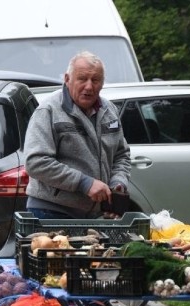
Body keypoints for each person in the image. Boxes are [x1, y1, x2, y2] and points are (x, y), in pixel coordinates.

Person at [25, 51, 131, 219]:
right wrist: (84, 183)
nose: (89, 86)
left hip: (95, 215)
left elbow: (121, 154)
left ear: (102, 83)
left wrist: (118, 182)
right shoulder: (49, 110)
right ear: (67, 79)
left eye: (95, 80)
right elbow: (35, 162)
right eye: (82, 79)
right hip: (51, 212)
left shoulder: (110, 110)